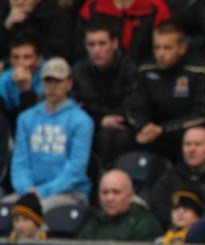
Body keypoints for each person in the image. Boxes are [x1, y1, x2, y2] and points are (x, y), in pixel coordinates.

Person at [10, 57, 94, 212]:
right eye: (48, 81)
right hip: (29, 192)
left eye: (58, 81)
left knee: (30, 214)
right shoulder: (26, 118)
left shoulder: (82, 121)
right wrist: (27, 190)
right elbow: (20, 162)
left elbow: (76, 168)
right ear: (41, 83)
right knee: (6, 210)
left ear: (69, 83)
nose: (52, 87)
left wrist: (41, 192)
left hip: (70, 192)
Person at [125, 21, 205, 162]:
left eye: (167, 48)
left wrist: (164, 129)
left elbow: (204, 116)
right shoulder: (145, 70)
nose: (160, 54)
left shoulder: (199, 72)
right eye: (157, 48)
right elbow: (134, 106)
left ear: (182, 48)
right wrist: (144, 126)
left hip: (185, 134)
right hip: (152, 135)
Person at [71, 20, 138, 168]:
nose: (96, 50)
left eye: (102, 44)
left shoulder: (128, 68)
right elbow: (74, 106)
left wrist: (110, 118)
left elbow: (132, 102)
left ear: (114, 44)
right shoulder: (79, 71)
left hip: (122, 124)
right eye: (91, 45)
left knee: (117, 137)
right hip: (91, 124)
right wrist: (100, 120)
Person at [147, 125, 205, 228]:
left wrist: (197, 219)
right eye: (187, 144)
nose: (191, 149)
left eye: (198, 144)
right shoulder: (174, 173)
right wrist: (175, 217)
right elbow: (157, 200)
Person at [76, 0, 172, 65]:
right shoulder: (93, 7)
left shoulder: (156, 9)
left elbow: (168, 46)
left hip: (144, 77)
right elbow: (80, 50)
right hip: (97, 76)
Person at [76, 169, 163, 241]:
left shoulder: (145, 225)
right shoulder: (94, 224)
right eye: (105, 192)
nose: (109, 198)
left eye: (116, 192)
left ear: (130, 195)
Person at [0, 0, 72, 61]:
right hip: (11, 64)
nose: (20, 2)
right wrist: (7, 27)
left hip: (44, 63)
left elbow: (57, 51)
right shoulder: (6, 13)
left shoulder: (55, 15)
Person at [0, 34, 44, 127]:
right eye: (15, 57)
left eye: (27, 57)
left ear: (38, 60)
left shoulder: (47, 77)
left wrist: (26, 90)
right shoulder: (5, 78)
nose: (20, 63)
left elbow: (40, 117)